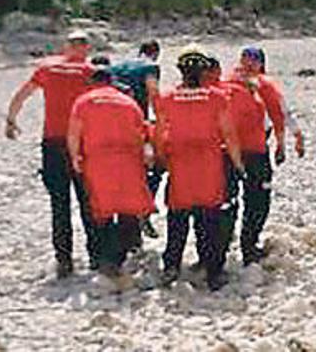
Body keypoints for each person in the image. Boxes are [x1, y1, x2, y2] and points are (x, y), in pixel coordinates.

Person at [5, 30, 99, 279]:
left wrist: (11, 120)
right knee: (87, 201)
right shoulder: (89, 72)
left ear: (65, 47)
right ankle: (95, 256)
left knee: (59, 204)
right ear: (86, 48)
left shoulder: (46, 69)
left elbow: (21, 96)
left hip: (52, 142)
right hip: (81, 144)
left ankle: (64, 260)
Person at [153, 45, 244, 291]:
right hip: (209, 165)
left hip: (180, 165)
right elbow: (229, 134)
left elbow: (160, 133)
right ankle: (212, 270)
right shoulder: (216, 97)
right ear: (204, 71)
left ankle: (171, 266)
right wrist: (237, 164)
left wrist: (160, 159)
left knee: (177, 219)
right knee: (209, 220)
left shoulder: (168, 98)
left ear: (180, 71)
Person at [67, 66, 154, 288]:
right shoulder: (128, 102)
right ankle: (119, 256)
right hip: (127, 161)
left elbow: (74, 132)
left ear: (93, 83)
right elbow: (142, 134)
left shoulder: (84, 101)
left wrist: (75, 157)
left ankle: (104, 259)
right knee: (127, 209)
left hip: (98, 162)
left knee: (100, 210)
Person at [227, 46, 288, 265]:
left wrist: (281, 143)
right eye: (247, 59)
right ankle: (248, 245)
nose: (249, 63)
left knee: (230, 199)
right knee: (256, 200)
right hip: (252, 150)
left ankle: (229, 245)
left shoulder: (227, 82)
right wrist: (281, 144)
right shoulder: (262, 84)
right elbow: (279, 114)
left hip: (230, 150)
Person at [109, 40, 162, 239]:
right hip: (138, 122)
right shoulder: (150, 66)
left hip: (114, 123)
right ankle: (143, 210)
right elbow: (153, 92)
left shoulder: (119, 66)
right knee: (154, 168)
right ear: (155, 53)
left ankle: (127, 224)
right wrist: (162, 119)